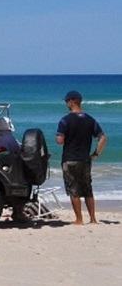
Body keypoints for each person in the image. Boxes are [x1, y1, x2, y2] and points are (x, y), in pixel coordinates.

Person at [56, 90, 108, 225]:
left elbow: (60, 140)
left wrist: (61, 137)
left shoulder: (65, 120)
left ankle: (79, 219)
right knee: (87, 189)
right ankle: (93, 219)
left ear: (72, 101)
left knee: (73, 190)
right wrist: (95, 154)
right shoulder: (90, 120)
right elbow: (102, 138)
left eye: (67, 101)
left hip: (70, 159)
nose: (66, 104)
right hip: (85, 159)